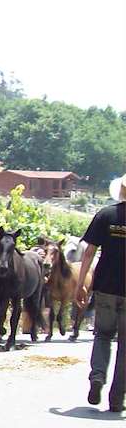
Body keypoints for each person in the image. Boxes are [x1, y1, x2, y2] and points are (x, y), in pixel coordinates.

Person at [75, 171, 126, 413]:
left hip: (105, 287)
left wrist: (80, 284)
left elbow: (88, 253)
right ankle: (117, 398)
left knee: (103, 335)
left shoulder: (106, 214)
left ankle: (97, 377)